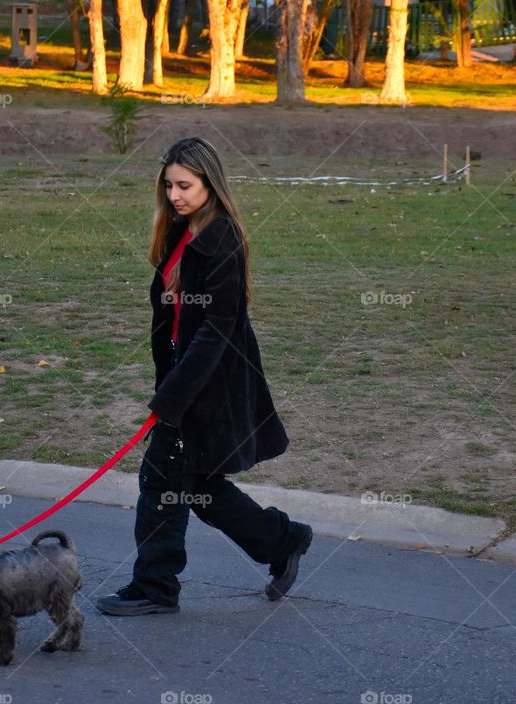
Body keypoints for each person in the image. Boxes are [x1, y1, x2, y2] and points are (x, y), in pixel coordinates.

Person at [96, 137, 313, 616]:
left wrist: (172, 399)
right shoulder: (183, 231)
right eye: (169, 185)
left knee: (161, 480)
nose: (174, 195)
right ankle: (284, 540)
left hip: (207, 386)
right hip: (183, 377)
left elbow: (215, 332)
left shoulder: (222, 241)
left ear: (210, 184)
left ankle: (155, 587)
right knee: (198, 488)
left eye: (185, 186)